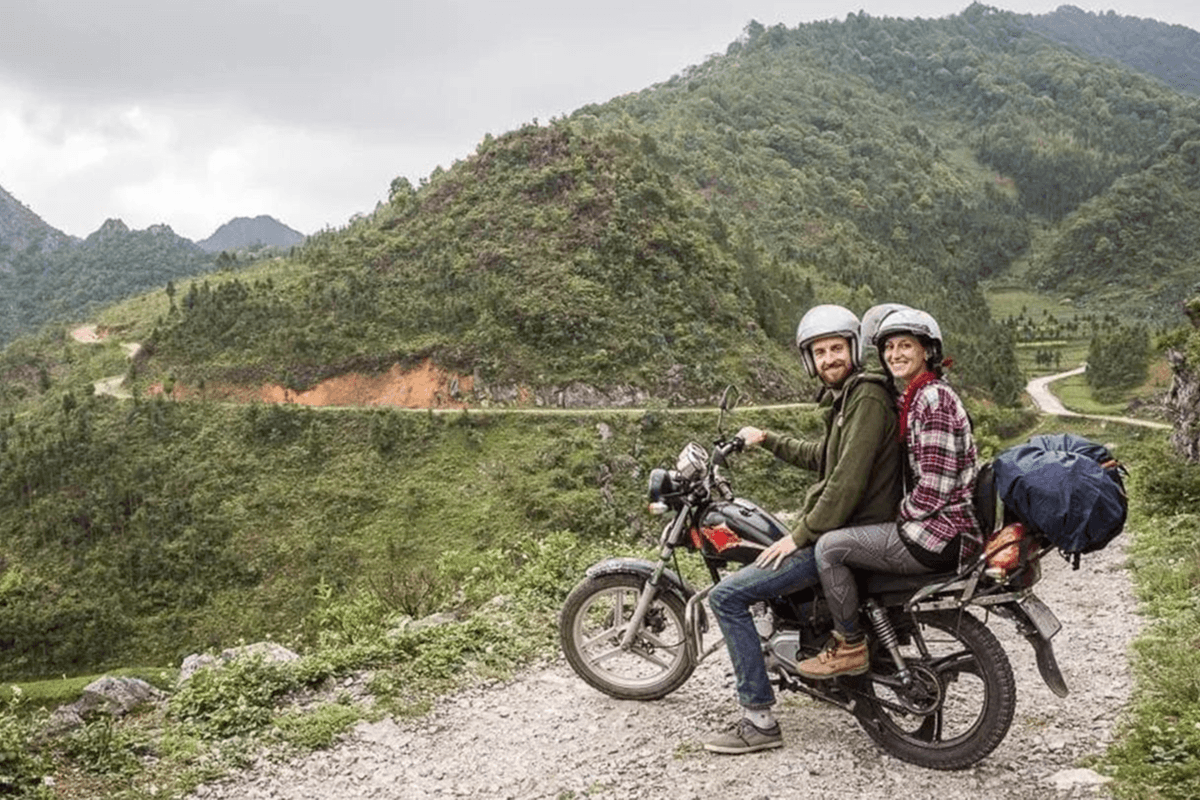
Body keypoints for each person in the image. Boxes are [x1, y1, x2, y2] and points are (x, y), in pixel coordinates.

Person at [703, 304, 903, 755]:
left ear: (852, 349)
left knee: (727, 596)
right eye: (820, 351)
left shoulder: (866, 397)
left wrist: (799, 535)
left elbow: (846, 483)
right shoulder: (849, 399)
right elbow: (824, 458)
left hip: (851, 532)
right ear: (809, 360)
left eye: (836, 348)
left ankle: (758, 719)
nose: (829, 358)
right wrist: (768, 440)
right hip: (850, 528)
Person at [797, 308, 981, 680]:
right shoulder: (913, 396)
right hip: (941, 528)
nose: (895, 354)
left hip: (940, 534)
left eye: (906, 346)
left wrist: (895, 515)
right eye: (889, 347)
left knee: (830, 548)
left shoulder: (934, 400)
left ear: (927, 351)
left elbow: (933, 490)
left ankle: (849, 645)